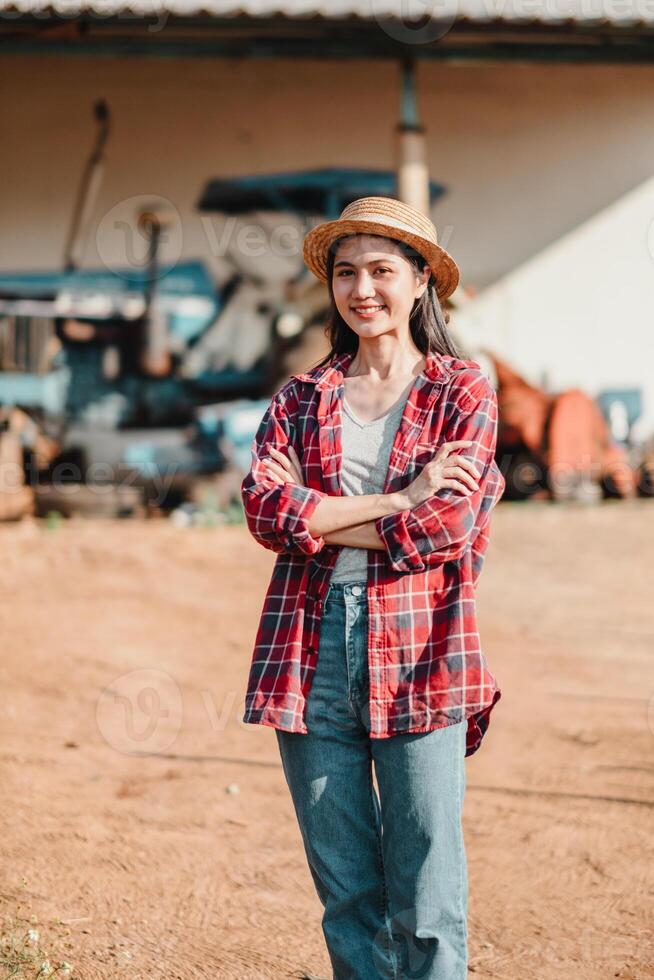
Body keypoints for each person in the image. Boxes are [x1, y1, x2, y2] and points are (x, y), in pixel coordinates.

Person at [240, 196, 505, 980]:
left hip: (424, 644)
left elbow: (449, 527)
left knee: (427, 891)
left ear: (421, 281)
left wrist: (319, 516)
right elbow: (265, 511)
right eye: (346, 271)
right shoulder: (300, 397)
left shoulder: (461, 390)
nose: (363, 289)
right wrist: (397, 498)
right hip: (308, 646)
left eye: (383, 270)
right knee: (347, 890)